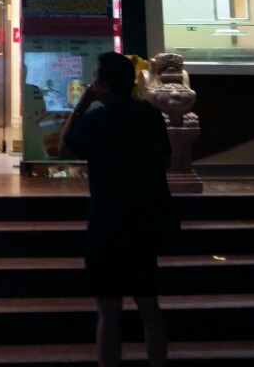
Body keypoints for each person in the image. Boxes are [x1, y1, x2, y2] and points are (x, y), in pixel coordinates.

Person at [59, 51, 172, 367]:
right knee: (149, 307)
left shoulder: (98, 119)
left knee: (108, 312)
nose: (92, 83)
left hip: (107, 225)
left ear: (105, 85)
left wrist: (81, 106)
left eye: (96, 78)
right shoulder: (149, 114)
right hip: (143, 223)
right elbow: (166, 159)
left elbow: (63, 147)